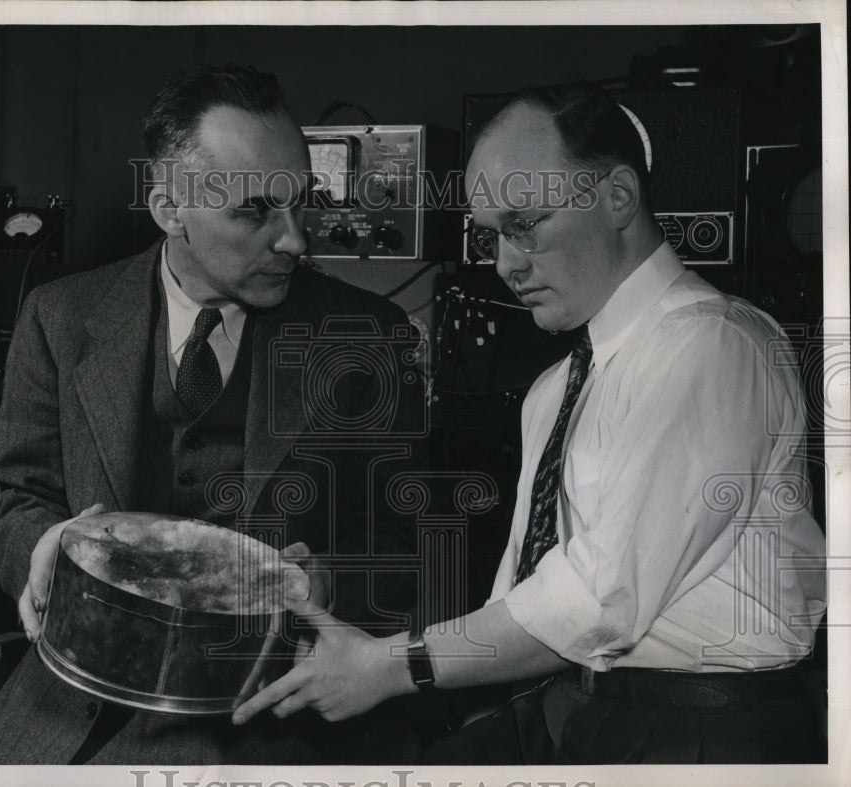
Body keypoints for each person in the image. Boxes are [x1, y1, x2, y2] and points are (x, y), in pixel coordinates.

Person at [232, 82, 828, 764]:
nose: (505, 264)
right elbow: (523, 592)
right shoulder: (555, 389)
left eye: (524, 224)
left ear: (617, 197)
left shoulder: (710, 344)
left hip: (699, 732)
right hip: (572, 706)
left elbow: (599, 600)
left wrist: (389, 667)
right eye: (491, 235)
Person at [0, 64, 425, 765]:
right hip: (69, 708)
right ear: (169, 210)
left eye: (300, 203)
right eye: (254, 212)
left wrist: (328, 581)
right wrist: (44, 544)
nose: (295, 241)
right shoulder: (57, 318)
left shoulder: (368, 338)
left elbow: (405, 543)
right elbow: (15, 497)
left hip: (269, 715)